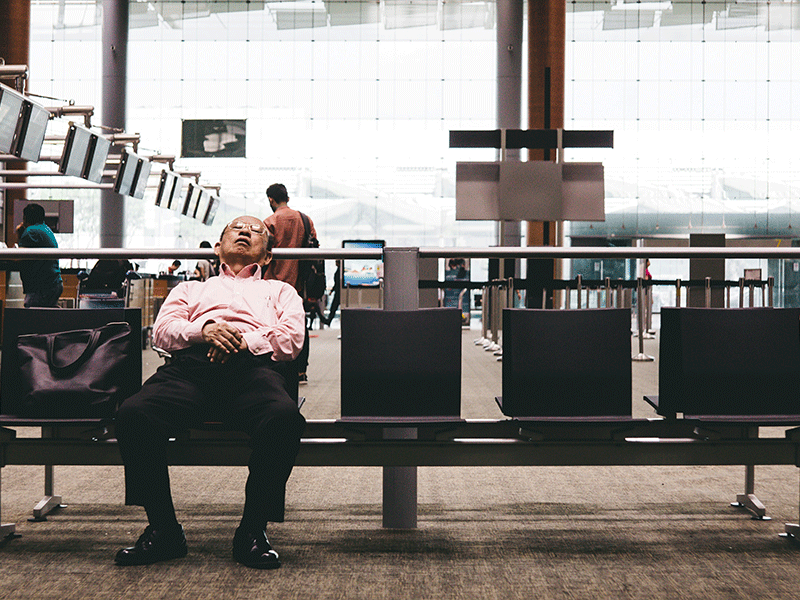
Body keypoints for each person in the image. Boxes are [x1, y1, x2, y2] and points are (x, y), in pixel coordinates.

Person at [114, 215, 306, 569]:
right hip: (191, 370)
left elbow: (291, 339)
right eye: (237, 228)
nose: (246, 231)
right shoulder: (190, 289)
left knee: (284, 419)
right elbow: (163, 331)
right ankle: (164, 530)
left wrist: (240, 341)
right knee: (132, 414)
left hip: (253, 370)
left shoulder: (280, 291)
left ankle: (252, 531)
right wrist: (205, 331)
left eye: (257, 231)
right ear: (218, 247)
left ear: (266, 258)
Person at [263, 183, 316, 383]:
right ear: (287, 198)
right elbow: (314, 247)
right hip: (298, 283)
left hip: (273, 283)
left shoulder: (270, 221)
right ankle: (301, 370)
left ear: (271, 200)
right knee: (298, 324)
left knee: (274, 325)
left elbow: (263, 251)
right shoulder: (305, 219)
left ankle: (278, 368)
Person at [15, 203, 63, 308]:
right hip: (53, 283)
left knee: (33, 319)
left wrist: (19, 234)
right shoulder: (46, 229)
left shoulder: (31, 231)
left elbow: (18, 257)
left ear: (25, 217)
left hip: (41, 287)